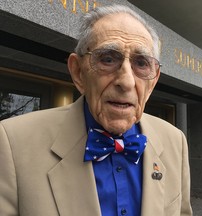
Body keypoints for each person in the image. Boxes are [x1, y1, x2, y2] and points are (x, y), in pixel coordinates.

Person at [0, 4, 192, 216]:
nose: (127, 81)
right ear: (78, 72)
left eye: (141, 63)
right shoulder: (12, 142)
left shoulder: (176, 141)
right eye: (108, 59)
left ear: (153, 82)